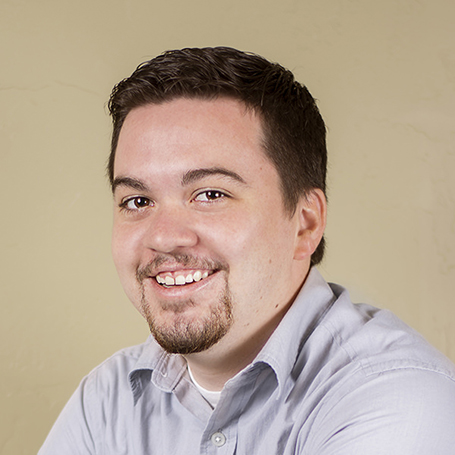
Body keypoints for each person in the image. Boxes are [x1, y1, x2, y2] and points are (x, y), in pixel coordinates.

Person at [39, 47, 455, 454]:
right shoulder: (107, 401)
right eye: (138, 201)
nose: (163, 238)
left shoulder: (397, 396)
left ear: (305, 223)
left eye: (210, 194)